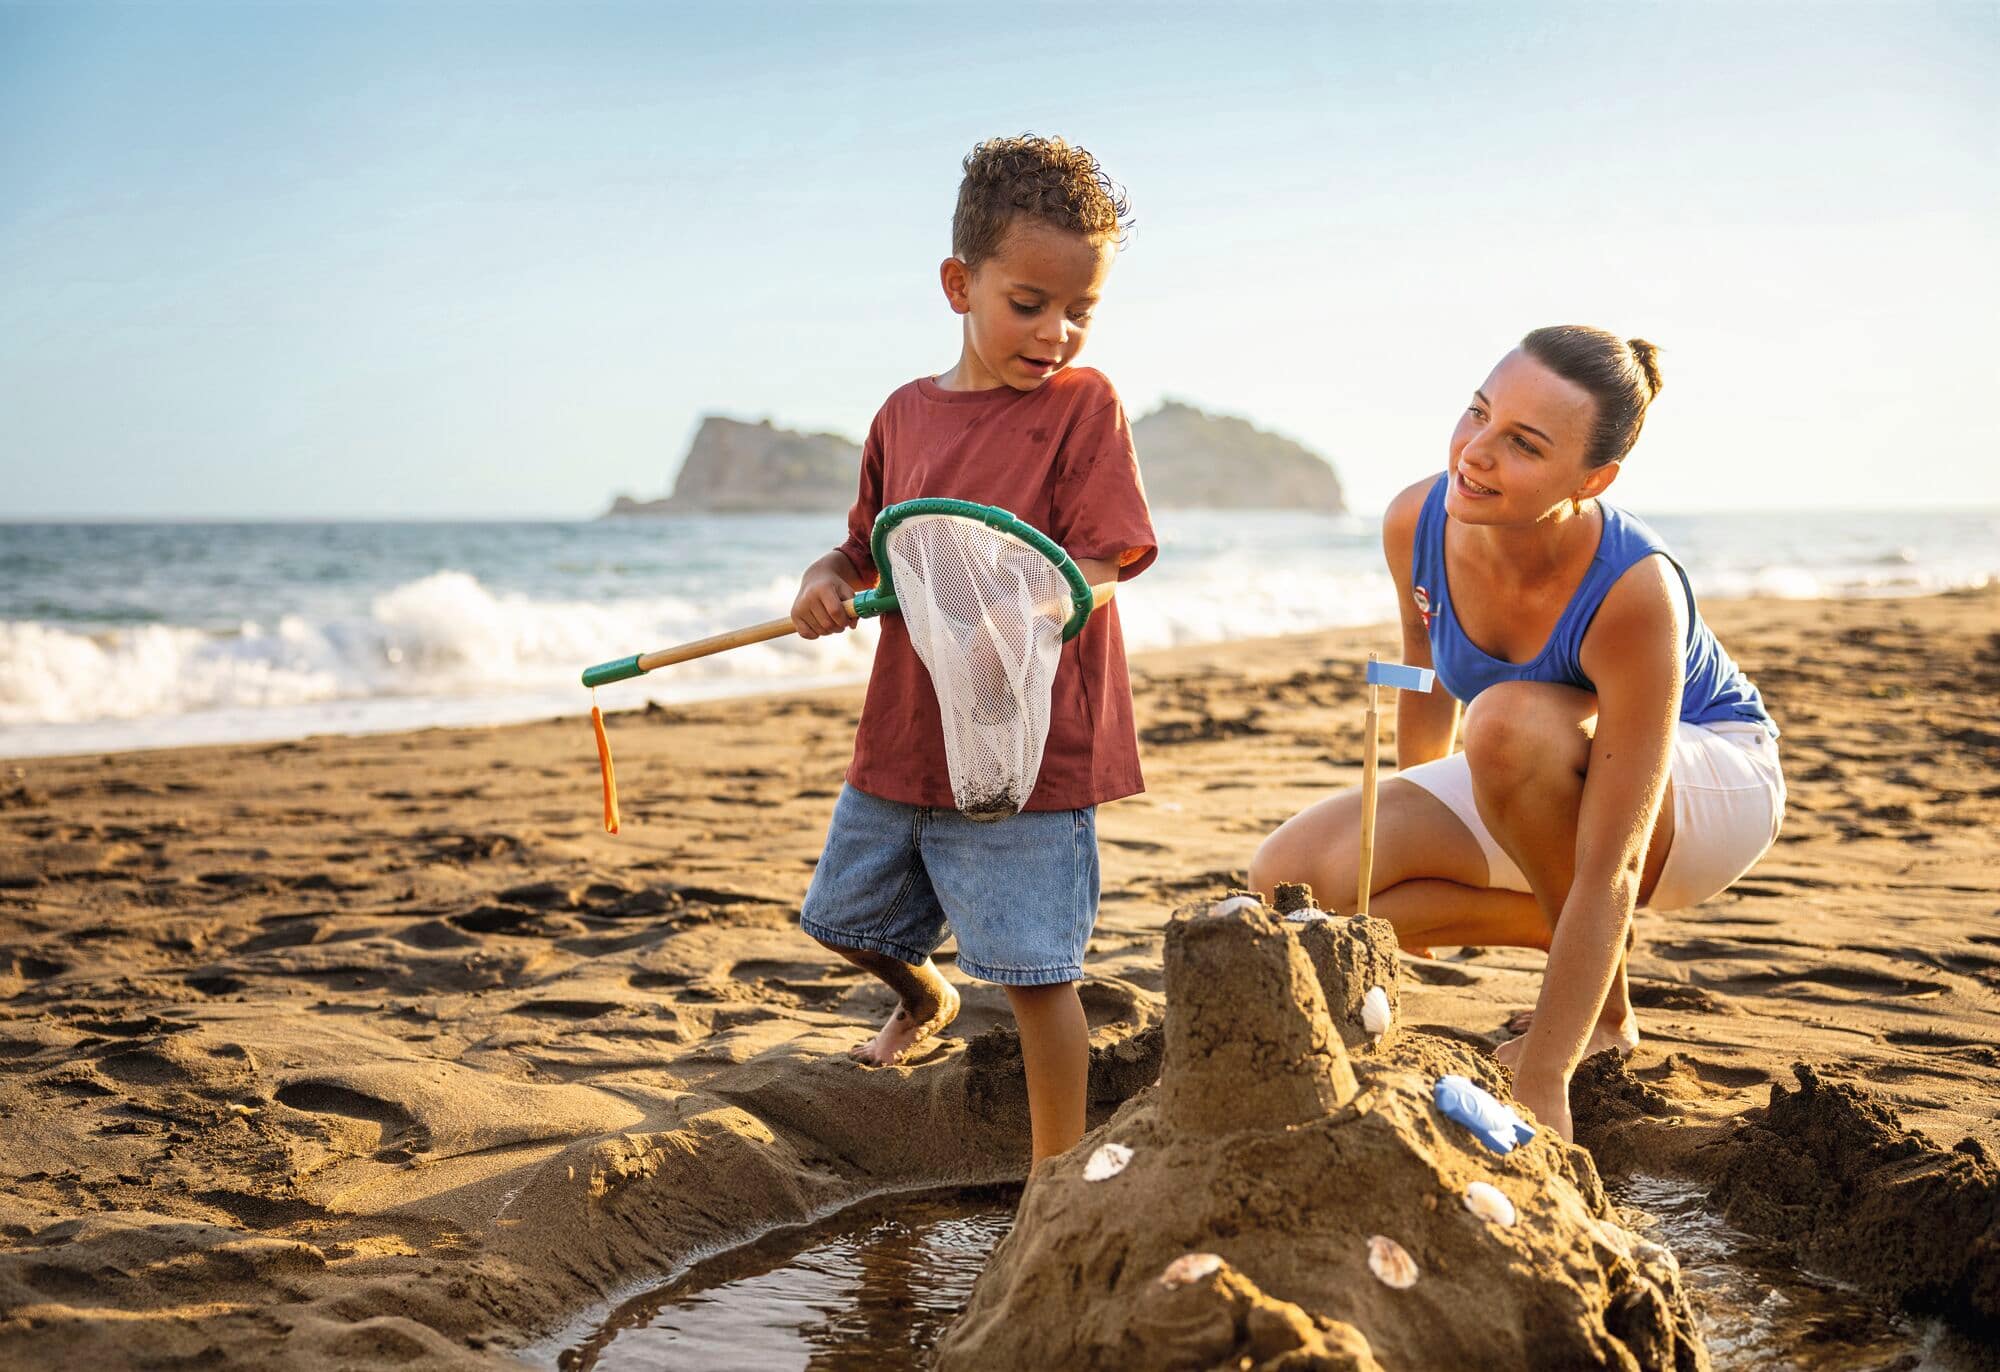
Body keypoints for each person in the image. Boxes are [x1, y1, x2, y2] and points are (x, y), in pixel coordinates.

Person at [1250, 326, 1782, 1141]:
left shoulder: (1636, 591)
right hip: (1535, 763)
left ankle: (1604, 1013)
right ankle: (1559, 930)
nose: (1477, 454)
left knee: (1503, 722)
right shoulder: (1417, 520)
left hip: (1711, 782)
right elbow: (1424, 676)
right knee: (1294, 881)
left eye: (1524, 445)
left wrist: (1543, 1080)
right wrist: (1412, 830)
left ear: (1593, 478)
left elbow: (1615, 863)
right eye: (1477, 413)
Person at [789, 135, 1156, 1168]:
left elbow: (1108, 555)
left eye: (1081, 309)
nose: (1057, 332)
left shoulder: (1083, 406)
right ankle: (924, 991)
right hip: (908, 729)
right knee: (844, 917)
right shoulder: (901, 414)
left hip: (1027, 744)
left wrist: (1031, 606)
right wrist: (822, 582)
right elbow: (861, 547)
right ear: (960, 284)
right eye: (1029, 302)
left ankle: (1054, 1177)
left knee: (1036, 973)